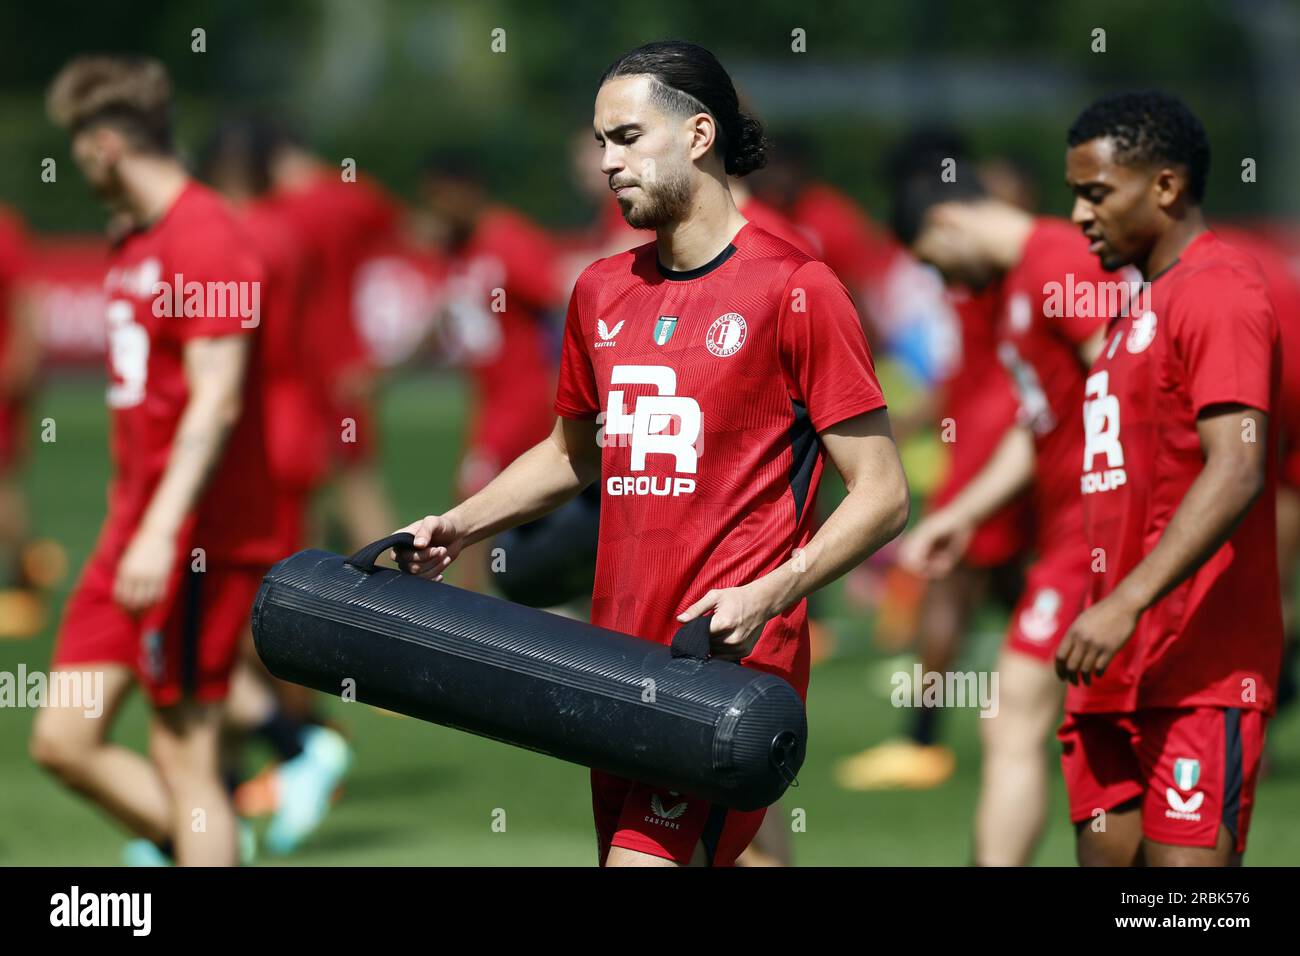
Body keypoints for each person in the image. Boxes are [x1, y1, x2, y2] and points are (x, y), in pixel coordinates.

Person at [393, 40, 910, 867]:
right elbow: (572, 454)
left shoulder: (796, 289)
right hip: (616, 657)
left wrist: (772, 592)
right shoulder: (600, 290)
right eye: (601, 142)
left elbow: (882, 493)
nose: (606, 162)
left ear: (699, 135)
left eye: (627, 138)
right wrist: (461, 524)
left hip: (725, 660)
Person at [29, 56, 278, 866]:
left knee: (185, 754)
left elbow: (219, 399)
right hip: (129, 530)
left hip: (195, 535)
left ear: (103, 145)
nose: (73, 165)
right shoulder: (138, 236)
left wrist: (163, 532)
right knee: (62, 737)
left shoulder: (208, 235)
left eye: (76, 146)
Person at [1059, 91, 1281, 866]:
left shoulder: (1221, 291)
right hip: (1110, 667)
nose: (1081, 216)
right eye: (1074, 196)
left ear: (1165, 186)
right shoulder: (1134, 309)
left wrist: (1124, 601)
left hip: (1197, 668)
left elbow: (1240, 465)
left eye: (1096, 194)